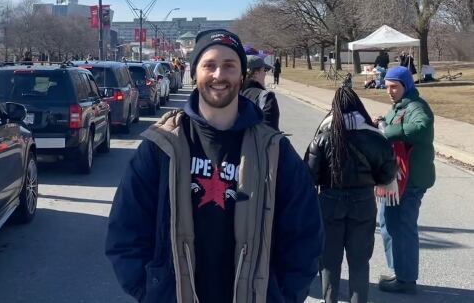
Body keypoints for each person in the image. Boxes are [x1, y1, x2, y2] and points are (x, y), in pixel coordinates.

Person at [105, 29, 323, 303]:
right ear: (194, 73)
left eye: (229, 66)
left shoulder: (274, 151)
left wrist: (280, 296)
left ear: (241, 75)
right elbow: (125, 231)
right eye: (209, 65)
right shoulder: (160, 146)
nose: (219, 75)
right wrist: (153, 292)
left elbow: (305, 235)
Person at [305, 86, 396, 303]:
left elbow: (309, 175)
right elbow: (387, 173)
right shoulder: (376, 137)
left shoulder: (323, 137)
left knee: (329, 262)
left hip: (329, 201)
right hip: (363, 202)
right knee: (359, 263)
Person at [374, 66, 435, 294]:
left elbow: (421, 127)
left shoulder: (417, 107)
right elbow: (391, 125)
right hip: (394, 180)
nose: (389, 91)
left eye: (394, 87)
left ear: (406, 85)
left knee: (403, 227)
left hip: (410, 182)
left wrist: (386, 130)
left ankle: (406, 279)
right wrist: (382, 122)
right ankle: (397, 271)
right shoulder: (399, 107)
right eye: (387, 86)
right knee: (388, 224)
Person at [240, 55, 280, 130]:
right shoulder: (266, 98)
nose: (265, 74)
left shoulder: (230, 94)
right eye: (264, 70)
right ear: (255, 73)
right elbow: (270, 135)